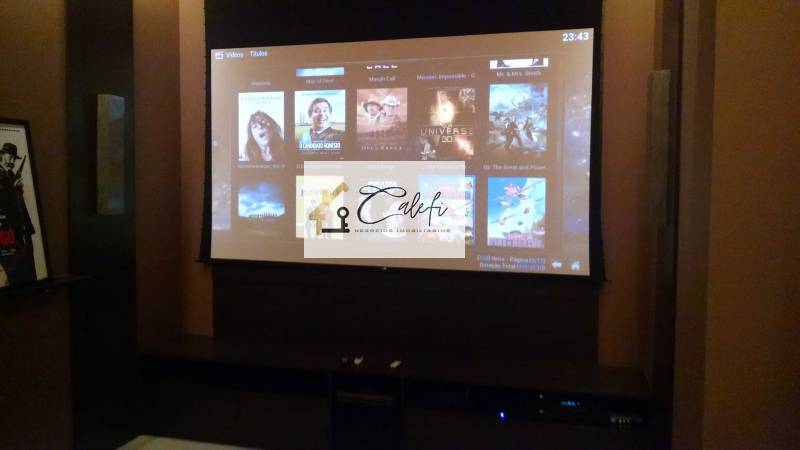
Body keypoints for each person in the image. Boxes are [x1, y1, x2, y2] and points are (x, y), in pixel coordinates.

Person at [0, 142, 36, 285]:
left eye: (14, 158)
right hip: (7, 230)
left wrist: (19, 191)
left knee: (27, 267)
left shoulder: (10, 174)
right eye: (10, 157)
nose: (13, 161)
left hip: (22, 228)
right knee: (14, 270)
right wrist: (13, 190)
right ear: (2, 155)